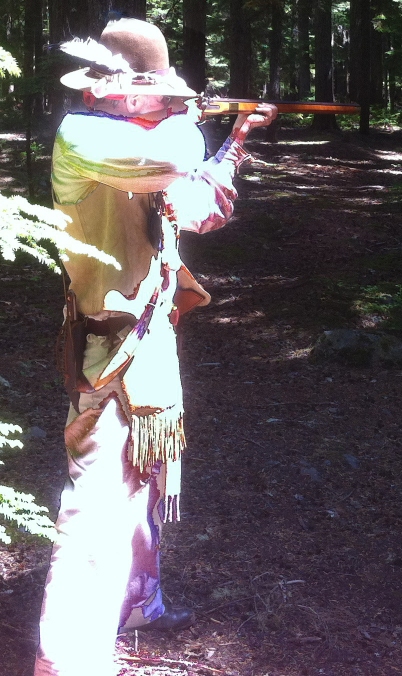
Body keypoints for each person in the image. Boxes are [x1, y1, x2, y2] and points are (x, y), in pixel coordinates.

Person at [34, 16, 277, 676]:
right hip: (109, 352)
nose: (166, 100)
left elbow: (202, 207)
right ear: (112, 90)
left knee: (139, 487)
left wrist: (239, 140)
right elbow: (175, 158)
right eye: (155, 91)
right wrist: (190, 116)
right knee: (94, 511)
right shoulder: (85, 136)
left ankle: (138, 604)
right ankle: (67, 658)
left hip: (150, 353)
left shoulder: (140, 144)